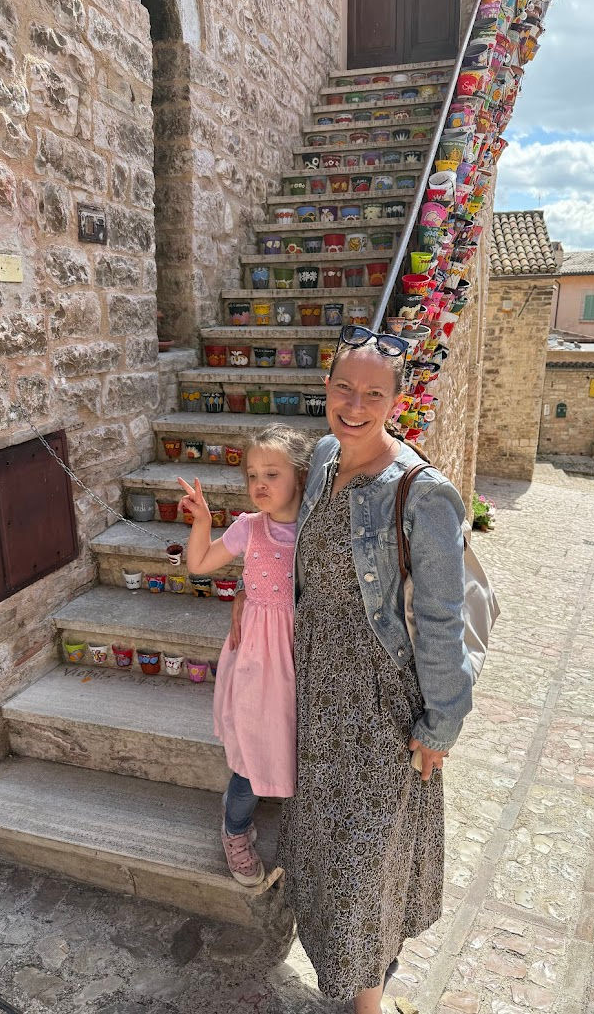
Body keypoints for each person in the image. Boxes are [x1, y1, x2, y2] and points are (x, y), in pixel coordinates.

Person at [230, 326, 474, 1014]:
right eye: (343, 387)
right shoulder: (328, 457)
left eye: (373, 392)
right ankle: (352, 977)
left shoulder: (424, 495)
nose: (354, 403)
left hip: (378, 698)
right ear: (326, 387)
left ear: (397, 398)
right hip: (315, 683)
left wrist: (441, 722)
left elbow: (440, 619)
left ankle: (365, 1001)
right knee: (321, 848)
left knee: (365, 859)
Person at [177, 424, 314, 887]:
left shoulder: (319, 531)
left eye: (272, 474)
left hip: (307, 657)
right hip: (257, 660)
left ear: (300, 475)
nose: (259, 484)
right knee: (250, 758)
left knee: (300, 744)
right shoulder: (248, 529)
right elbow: (198, 564)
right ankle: (235, 829)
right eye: (252, 474)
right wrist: (202, 524)